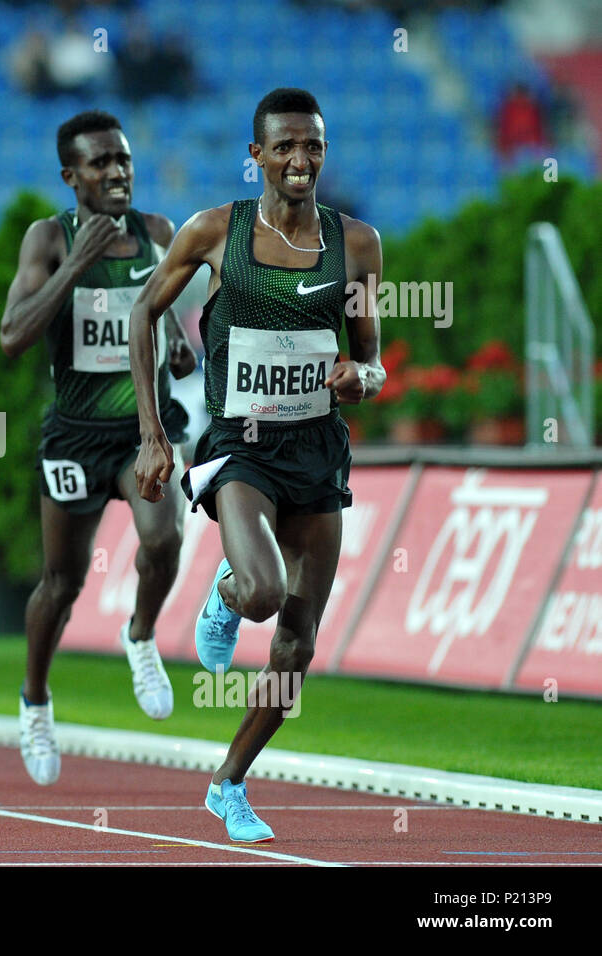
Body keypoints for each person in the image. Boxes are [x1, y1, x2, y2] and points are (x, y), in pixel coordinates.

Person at [129, 88, 386, 842]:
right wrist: (152, 434)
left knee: (298, 643)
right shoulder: (215, 231)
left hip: (316, 450)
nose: (300, 160)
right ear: (258, 157)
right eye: (285, 148)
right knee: (267, 592)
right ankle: (230, 592)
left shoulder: (358, 244)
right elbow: (144, 313)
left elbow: (370, 361)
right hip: (240, 449)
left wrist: (358, 377)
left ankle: (229, 784)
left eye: (313, 146)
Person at [0, 110, 196, 786]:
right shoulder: (48, 238)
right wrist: (75, 265)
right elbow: (12, 337)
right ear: (71, 176)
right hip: (76, 435)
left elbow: (156, 308)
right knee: (62, 584)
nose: (117, 172)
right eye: (101, 163)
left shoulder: (159, 233)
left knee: (164, 537)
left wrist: (175, 337)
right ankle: (34, 701)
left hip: (143, 427)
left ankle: (139, 636)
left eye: (125, 160)